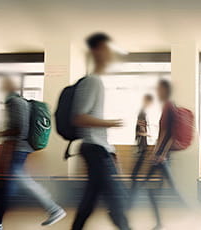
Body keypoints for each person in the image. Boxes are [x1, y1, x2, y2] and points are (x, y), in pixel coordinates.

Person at [0, 77, 66, 230]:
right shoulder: (16, 102)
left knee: (19, 184)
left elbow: (19, 130)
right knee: (15, 185)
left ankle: (54, 209)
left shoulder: (14, 103)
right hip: (19, 149)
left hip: (18, 149)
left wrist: (3, 136)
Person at [71, 33, 131, 230]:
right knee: (115, 201)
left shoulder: (96, 81)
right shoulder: (92, 81)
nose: (109, 54)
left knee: (91, 200)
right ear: (95, 51)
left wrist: (111, 150)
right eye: (106, 49)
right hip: (95, 149)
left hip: (99, 149)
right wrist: (110, 124)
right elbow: (78, 118)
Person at [144, 79, 186, 230]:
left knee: (149, 187)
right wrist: (157, 151)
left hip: (162, 157)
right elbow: (163, 133)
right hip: (161, 155)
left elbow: (170, 134)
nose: (157, 91)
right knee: (163, 188)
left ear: (165, 90)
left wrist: (161, 154)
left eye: (159, 89)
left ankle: (186, 211)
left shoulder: (169, 106)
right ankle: (187, 211)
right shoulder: (167, 106)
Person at [129, 94, 153, 202]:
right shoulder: (142, 113)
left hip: (141, 146)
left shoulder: (142, 112)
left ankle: (132, 197)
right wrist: (148, 135)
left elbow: (140, 129)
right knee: (135, 174)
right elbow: (141, 131)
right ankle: (132, 198)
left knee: (136, 173)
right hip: (141, 147)